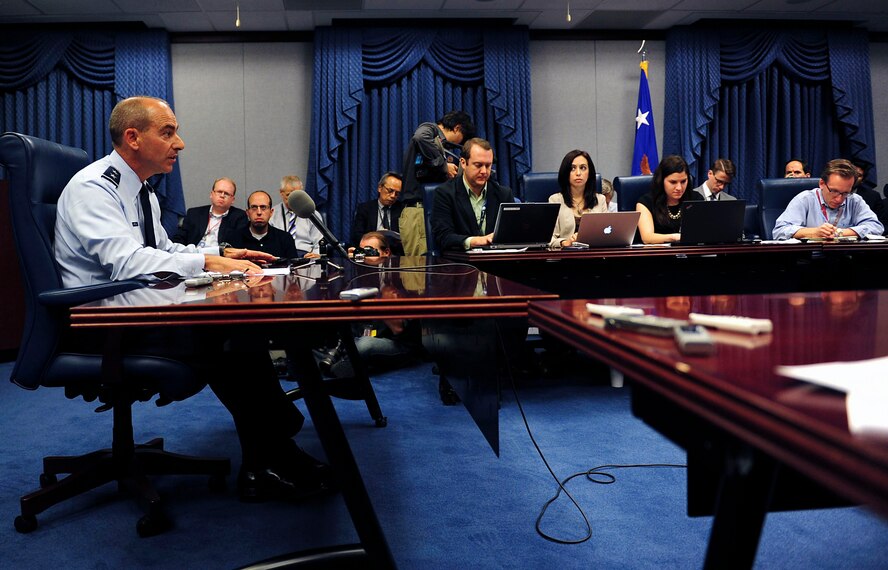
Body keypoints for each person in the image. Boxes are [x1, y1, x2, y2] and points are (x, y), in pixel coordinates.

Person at [54, 96, 334, 503]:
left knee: (238, 329)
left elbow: (165, 249)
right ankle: (270, 458)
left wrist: (225, 256)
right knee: (229, 335)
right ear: (133, 137)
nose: (179, 143)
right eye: (168, 132)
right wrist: (206, 261)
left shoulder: (142, 192)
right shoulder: (93, 189)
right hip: (103, 328)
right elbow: (127, 263)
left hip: (137, 311)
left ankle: (272, 455)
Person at [323, 232, 422, 378]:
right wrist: (349, 265)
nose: (363, 256)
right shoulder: (362, 272)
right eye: (360, 251)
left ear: (386, 252)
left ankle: (335, 370)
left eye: (368, 251)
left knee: (364, 345)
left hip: (397, 342)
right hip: (366, 332)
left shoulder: (400, 275)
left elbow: (399, 329)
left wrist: (384, 298)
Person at [399, 111, 476, 256]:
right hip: (418, 212)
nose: (458, 144)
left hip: (431, 212)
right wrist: (444, 166)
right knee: (419, 272)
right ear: (457, 128)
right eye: (462, 139)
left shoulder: (438, 146)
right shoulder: (431, 129)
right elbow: (420, 137)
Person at [431, 137, 514, 251]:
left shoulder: (503, 194)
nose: (484, 171)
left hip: (497, 261)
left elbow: (511, 233)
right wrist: (477, 241)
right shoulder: (445, 194)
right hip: (461, 263)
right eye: (478, 165)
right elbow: (443, 237)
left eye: (488, 165)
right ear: (463, 163)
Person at [772, 158, 884, 240]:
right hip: (810, 259)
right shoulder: (805, 199)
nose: (839, 199)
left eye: (845, 193)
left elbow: (876, 227)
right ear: (821, 183)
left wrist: (840, 233)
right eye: (834, 191)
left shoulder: (855, 200)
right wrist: (814, 232)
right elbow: (780, 231)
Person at [548, 149, 607, 248]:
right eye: (572, 168)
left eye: (583, 168)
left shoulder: (600, 200)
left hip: (595, 255)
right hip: (565, 257)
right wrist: (565, 242)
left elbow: (608, 233)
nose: (578, 173)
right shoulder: (555, 200)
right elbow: (548, 238)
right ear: (565, 172)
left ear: (589, 172)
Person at [635, 155, 699, 244]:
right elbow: (647, 238)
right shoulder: (646, 202)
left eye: (683, 181)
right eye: (673, 182)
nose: (679, 188)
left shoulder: (696, 199)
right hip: (658, 255)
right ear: (661, 181)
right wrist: (675, 237)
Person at [172, 177, 248, 246]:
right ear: (211, 194)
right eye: (219, 192)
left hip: (220, 258)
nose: (222, 195)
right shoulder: (194, 213)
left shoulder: (238, 217)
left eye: (227, 194)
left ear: (232, 200)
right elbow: (180, 238)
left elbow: (238, 244)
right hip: (194, 256)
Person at [268, 175, 323, 258]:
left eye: (296, 195)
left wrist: (315, 255)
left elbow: (319, 243)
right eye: (288, 195)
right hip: (280, 256)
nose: (292, 200)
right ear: (281, 193)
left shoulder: (312, 213)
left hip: (306, 255)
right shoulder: (272, 214)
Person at [237, 190, 300, 258]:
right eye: (254, 207)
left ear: (271, 212)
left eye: (263, 207)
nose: (259, 212)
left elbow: (293, 267)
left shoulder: (285, 239)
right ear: (247, 212)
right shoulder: (234, 238)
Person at [349, 171, 404, 247]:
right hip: (371, 251)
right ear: (380, 188)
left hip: (395, 252)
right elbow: (357, 236)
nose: (393, 196)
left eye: (397, 193)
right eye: (390, 191)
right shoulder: (365, 208)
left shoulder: (402, 210)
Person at [851, 161, 887, 235]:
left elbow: (881, 225)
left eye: (858, 175)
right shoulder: (829, 192)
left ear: (862, 180)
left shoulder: (872, 196)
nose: (854, 177)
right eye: (852, 173)